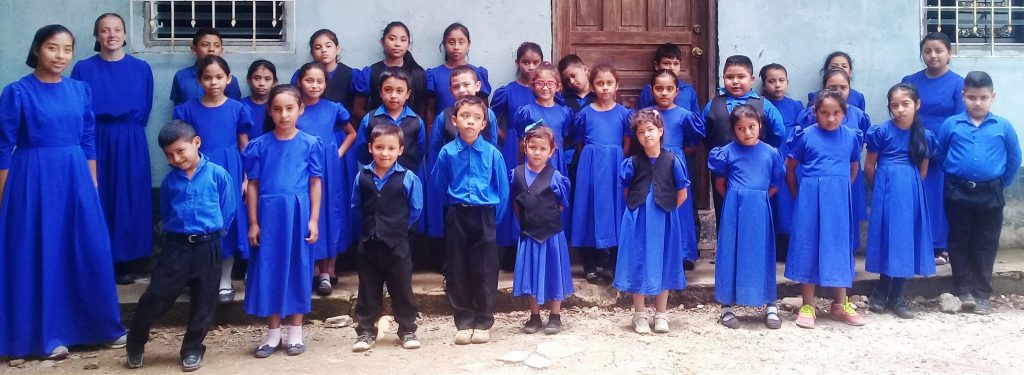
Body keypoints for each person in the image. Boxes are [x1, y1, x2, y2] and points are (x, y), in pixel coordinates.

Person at [0, 24, 126, 360]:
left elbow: (87, 139)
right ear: (37, 49)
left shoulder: (80, 90)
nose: (60, 56)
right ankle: (44, 334)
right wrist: (4, 194)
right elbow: (4, 144)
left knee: (86, 248)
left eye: (67, 49)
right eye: (53, 48)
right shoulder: (17, 92)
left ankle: (98, 328)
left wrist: (92, 181)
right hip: (33, 178)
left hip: (76, 178)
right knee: (43, 250)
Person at [126, 120, 235, 371]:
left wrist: (214, 236)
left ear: (196, 143)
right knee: (156, 296)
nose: (175, 158)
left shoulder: (218, 174)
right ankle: (136, 341)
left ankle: (192, 349)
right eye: (169, 155)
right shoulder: (169, 182)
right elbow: (165, 210)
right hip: (177, 247)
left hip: (208, 247)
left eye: (180, 151)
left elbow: (227, 208)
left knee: (205, 300)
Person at [70, 13, 154, 285]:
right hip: (95, 137)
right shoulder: (83, 68)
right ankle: (97, 258)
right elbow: (76, 109)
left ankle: (127, 260)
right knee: (98, 193)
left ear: (126, 35)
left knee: (130, 196)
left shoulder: (141, 68)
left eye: (117, 29)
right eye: (104, 30)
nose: (111, 35)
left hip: (130, 137)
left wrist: (127, 131)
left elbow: (145, 108)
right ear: (97, 36)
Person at [244, 84, 324, 357]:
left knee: (298, 268)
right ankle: (272, 334)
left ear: (301, 109)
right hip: (269, 216)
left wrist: (313, 219)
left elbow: (315, 183)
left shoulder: (310, 144)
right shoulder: (259, 145)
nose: (284, 115)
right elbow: (252, 185)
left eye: (290, 108)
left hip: (298, 214)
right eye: (277, 109)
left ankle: (295, 333)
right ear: (269, 110)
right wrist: (253, 222)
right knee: (269, 268)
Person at [937, 71, 1021, 315]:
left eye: (983, 97)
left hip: (990, 192)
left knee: (986, 242)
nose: (977, 102)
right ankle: (963, 290)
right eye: (972, 97)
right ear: (964, 96)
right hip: (957, 190)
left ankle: (983, 294)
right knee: (959, 240)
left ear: (992, 97)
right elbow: (941, 153)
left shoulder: (1002, 126)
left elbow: (1014, 158)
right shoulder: (951, 124)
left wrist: (998, 183)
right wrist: (955, 176)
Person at [172, 55, 253, 303]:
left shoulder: (238, 109)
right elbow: (181, 145)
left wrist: (247, 178)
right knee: (199, 222)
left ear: (228, 79)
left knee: (226, 223)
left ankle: (225, 281)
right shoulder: (186, 110)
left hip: (230, 170)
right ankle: (201, 278)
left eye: (219, 77)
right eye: (207, 77)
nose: (213, 82)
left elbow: (244, 146)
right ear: (199, 80)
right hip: (197, 170)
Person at [431, 95, 509, 345]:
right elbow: (440, 184)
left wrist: (493, 218)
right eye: (465, 117)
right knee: (457, 267)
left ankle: (484, 320)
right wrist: (454, 206)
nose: (470, 122)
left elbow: (503, 189)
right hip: (457, 212)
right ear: (454, 120)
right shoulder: (447, 153)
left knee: (485, 268)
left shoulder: (492, 154)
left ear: (484, 124)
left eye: (477, 118)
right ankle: (464, 321)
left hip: (485, 213)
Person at [784, 90, 865, 329]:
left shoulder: (850, 136)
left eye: (836, 113)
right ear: (815, 113)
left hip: (838, 200)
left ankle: (840, 303)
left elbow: (853, 167)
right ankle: (807, 304)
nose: (831, 118)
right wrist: (802, 195)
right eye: (825, 113)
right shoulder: (805, 136)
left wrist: (838, 190)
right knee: (809, 245)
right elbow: (790, 169)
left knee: (838, 247)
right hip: (810, 198)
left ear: (844, 113)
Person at [709, 104, 784, 330]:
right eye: (741, 128)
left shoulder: (771, 153)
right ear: (734, 130)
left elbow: (775, 184)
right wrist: (736, 198)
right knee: (731, 253)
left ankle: (770, 305)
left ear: (760, 126)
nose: (747, 132)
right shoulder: (726, 152)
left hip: (760, 209)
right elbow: (720, 182)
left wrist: (757, 198)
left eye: (752, 127)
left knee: (762, 253)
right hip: (734, 209)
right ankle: (726, 308)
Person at [864, 83, 936, 319]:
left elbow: (923, 169)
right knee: (888, 239)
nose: (900, 110)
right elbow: (869, 166)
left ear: (917, 105)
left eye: (905, 104)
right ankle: (881, 291)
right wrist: (881, 190)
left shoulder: (924, 136)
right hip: (885, 190)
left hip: (910, 192)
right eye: (894, 105)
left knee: (905, 240)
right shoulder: (881, 132)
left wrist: (910, 188)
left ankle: (898, 295)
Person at [615, 109, 689, 334]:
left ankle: (661, 314)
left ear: (660, 131)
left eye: (650, 130)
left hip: (664, 218)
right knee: (638, 261)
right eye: (640, 132)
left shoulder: (673, 160)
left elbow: (682, 193)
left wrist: (664, 209)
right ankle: (639, 314)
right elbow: (627, 190)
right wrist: (641, 208)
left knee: (663, 262)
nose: (646, 135)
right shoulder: (632, 163)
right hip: (637, 218)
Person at [350, 125, 423, 352]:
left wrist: (397, 228)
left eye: (391, 148)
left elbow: (415, 209)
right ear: (371, 148)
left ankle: (407, 329)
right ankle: (365, 331)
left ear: (400, 150)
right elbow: (356, 206)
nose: (385, 153)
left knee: (401, 288)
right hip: (369, 244)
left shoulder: (408, 178)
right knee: (368, 290)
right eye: (379, 147)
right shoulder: (362, 176)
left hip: (397, 245)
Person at [424, 65, 499, 270]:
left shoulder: (488, 115)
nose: (462, 89)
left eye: (466, 84)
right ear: (451, 91)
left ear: (477, 86)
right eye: (456, 86)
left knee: (480, 230)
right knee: (454, 226)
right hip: (454, 182)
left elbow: (493, 147)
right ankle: (452, 265)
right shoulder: (445, 116)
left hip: (481, 182)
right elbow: (436, 148)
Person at [902, 32, 965, 266]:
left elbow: (960, 121)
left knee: (937, 199)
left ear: (950, 53)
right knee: (915, 197)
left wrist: (942, 149)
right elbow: (902, 112)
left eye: (938, 50)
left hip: (941, 152)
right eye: (927, 51)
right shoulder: (910, 80)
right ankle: (915, 243)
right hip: (913, 148)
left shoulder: (958, 84)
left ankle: (939, 246)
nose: (933, 55)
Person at [295, 62, 357, 296]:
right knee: (308, 214)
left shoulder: (333, 108)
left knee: (330, 214)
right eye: (309, 80)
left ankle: (326, 272)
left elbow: (351, 133)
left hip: (329, 169)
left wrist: (337, 153)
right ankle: (307, 270)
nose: (314, 85)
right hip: (302, 168)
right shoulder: (296, 108)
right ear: (300, 81)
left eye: (320, 81)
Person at [702, 55, 786, 228]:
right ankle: (728, 250)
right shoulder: (713, 104)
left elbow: (778, 132)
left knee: (755, 214)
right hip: (725, 168)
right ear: (723, 78)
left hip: (755, 169)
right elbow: (705, 133)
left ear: (752, 79)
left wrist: (760, 150)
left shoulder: (764, 105)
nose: (735, 82)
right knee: (725, 210)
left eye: (741, 77)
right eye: (730, 77)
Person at [571, 65, 632, 284]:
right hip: (590, 165)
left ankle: (611, 263)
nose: (605, 87)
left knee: (615, 209)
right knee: (588, 209)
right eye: (600, 83)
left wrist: (614, 159)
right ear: (592, 86)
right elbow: (579, 141)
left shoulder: (624, 114)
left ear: (617, 86)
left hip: (615, 165)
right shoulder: (584, 114)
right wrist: (593, 157)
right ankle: (589, 263)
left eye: (609, 83)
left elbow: (627, 142)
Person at [512, 124, 574, 335]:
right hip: (529, 233)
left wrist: (546, 218)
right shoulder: (517, 174)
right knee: (532, 274)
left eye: (542, 149)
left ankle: (555, 316)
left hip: (551, 234)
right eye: (532, 147)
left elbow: (561, 203)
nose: (537, 152)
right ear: (525, 147)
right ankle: (534, 316)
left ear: (551, 151)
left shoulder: (555, 176)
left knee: (553, 272)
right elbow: (516, 204)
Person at [797, 68, 871, 233]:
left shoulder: (859, 116)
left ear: (850, 89)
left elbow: (858, 148)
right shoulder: (810, 117)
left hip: (844, 175)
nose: (837, 91)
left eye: (843, 87)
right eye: (832, 87)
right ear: (823, 89)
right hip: (816, 178)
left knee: (842, 218)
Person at [646, 69, 704, 266]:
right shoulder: (646, 115)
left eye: (669, 89)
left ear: (677, 91)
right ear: (652, 90)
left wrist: (675, 153)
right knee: (655, 204)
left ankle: (683, 253)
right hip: (652, 165)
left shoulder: (685, 115)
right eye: (659, 88)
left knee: (680, 207)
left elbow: (695, 142)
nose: (664, 93)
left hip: (676, 164)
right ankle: (656, 251)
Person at [492, 42, 543, 255]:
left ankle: (535, 245)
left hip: (540, 149)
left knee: (538, 192)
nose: (530, 67)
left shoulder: (544, 89)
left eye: (535, 62)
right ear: (517, 63)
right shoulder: (507, 92)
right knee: (514, 191)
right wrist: (507, 138)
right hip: (514, 147)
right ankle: (511, 248)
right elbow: (492, 118)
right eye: (526, 62)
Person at [758, 63, 803, 261]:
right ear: (764, 84)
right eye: (772, 81)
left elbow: (801, 135)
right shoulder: (759, 105)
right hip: (767, 160)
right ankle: (771, 247)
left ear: (787, 82)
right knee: (772, 201)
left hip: (790, 159)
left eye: (781, 80)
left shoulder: (796, 106)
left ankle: (789, 246)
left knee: (788, 202)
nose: (777, 85)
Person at [352, 22, 427, 123]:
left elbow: (423, 109)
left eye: (403, 40)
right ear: (382, 42)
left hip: (409, 133)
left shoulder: (418, 73)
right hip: (379, 134)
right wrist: (376, 125)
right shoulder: (370, 72)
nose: (397, 44)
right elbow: (357, 109)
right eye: (392, 39)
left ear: (408, 44)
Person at [512, 62, 573, 177]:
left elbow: (563, 139)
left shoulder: (564, 113)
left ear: (558, 87)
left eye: (550, 84)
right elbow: (522, 142)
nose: (545, 88)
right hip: (532, 163)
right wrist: (520, 166)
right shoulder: (526, 112)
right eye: (540, 83)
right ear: (533, 85)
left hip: (556, 163)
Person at [425, 22, 492, 122]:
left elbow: (485, 108)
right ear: (444, 44)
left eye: (461, 42)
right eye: (451, 43)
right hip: (443, 130)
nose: (456, 47)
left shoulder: (478, 73)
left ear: (468, 44)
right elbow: (430, 110)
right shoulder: (434, 75)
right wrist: (430, 135)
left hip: (472, 131)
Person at [169, 28, 242, 106]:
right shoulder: (181, 76)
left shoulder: (229, 79)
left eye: (216, 46)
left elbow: (234, 109)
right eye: (205, 45)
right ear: (194, 49)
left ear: (221, 51)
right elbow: (178, 108)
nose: (211, 49)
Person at [290, 29, 359, 110]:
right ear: (312, 53)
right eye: (318, 47)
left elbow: (357, 108)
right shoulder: (301, 74)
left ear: (338, 49)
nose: (324, 50)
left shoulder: (351, 74)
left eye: (328, 46)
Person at [636, 43, 700, 113]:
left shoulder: (688, 91)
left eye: (676, 64)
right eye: (667, 63)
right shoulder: (648, 90)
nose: (672, 68)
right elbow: (641, 118)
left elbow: (695, 119)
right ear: (657, 65)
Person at [242, 59, 277, 140]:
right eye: (257, 78)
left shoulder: (278, 106)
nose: (262, 83)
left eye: (267, 79)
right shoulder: (241, 106)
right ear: (249, 80)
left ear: (274, 82)